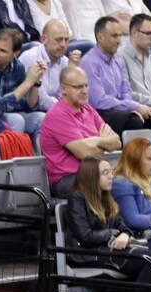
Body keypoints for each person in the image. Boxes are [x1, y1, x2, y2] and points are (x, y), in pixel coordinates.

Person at [63, 157, 151, 292]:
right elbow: (85, 237)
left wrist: (124, 234)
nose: (111, 176)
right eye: (105, 173)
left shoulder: (107, 198)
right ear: (91, 176)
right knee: (150, 261)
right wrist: (113, 234)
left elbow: (122, 226)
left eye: (110, 171)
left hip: (109, 251)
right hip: (88, 255)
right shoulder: (77, 198)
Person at [41, 65, 123, 195]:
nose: (84, 91)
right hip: (66, 179)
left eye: (86, 85)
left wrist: (93, 142)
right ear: (63, 89)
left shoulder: (88, 109)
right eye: (78, 87)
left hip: (93, 172)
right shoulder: (57, 114)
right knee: (117, 187)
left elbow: (117, 142)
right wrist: (102, 141)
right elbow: (84, 153)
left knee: (129, 182)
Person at [0, 27, 48, 139]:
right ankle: (14, 155)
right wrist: (27, 83)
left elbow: (29, 107)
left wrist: (35, 82)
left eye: (3, 51)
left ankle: (40, 156)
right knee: (17, 120)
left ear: (15, 53)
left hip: (10, 113)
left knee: (41, 118)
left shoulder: (17, 67)